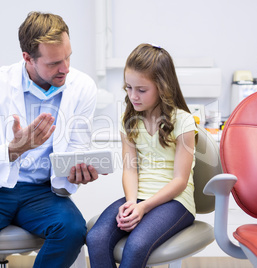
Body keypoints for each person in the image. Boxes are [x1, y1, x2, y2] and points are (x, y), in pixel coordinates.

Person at [0, 11, 99, 268]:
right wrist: (15, 149)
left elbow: (77, 148)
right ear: (27, 58)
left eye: (68, 57)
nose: (65, 68)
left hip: (43, 192)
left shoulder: (83, 86)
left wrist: (78, 172)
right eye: (54, 62)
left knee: (72, 232)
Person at [86, 43, 197, 267]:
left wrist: (143, 207)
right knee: (95, 238)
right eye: (128, 87)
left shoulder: (183, 120)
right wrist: (131, 204)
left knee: (136, 246)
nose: (133, 96)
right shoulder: (129, 121)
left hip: (176, 201)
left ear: (162, 88)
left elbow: (180, 180)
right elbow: (130, 168)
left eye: (141, 90)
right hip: (138, 198)